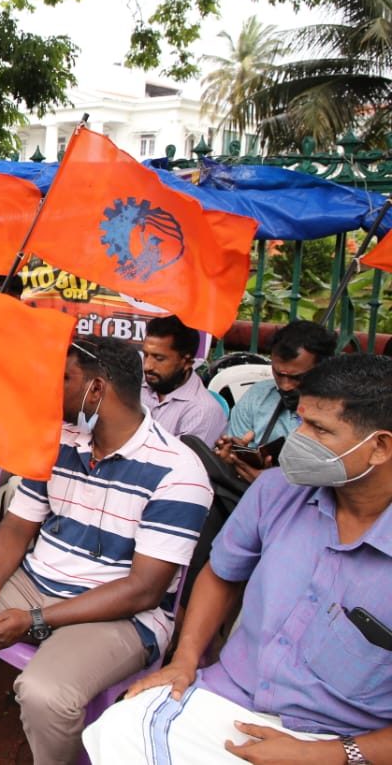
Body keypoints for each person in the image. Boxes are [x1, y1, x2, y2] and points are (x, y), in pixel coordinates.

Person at [0, 336, 212, 765]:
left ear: (97, 389)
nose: (49, 390)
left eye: (63, 379)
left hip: (120, 613)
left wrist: (35, 620)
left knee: (45, 694)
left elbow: (144, 591)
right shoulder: (59, 439)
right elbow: (18, 526)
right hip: (35, 582)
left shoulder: (179, 472)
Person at [84, 353, 392, 765]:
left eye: (319, 428)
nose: (298, 439)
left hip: (346, 740)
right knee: (120, 727)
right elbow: (222, 573)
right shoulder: (278, 489)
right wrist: (186, 659)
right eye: (300, 420)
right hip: (229, 700)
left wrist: (333, 754)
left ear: (380, 447)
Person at [214, 320, 336, 484]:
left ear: (323, 369)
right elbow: (233, 457)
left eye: (296, 377)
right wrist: (233, 458)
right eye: (278, 374)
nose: (285, 386)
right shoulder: (258, 396)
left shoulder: (341, 410)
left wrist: (273, 483)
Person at [140, 315, 227, 447]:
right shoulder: (136, 388)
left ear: (186, 362)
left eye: (159, 358)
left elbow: (178, 464)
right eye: (146, 355)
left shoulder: (202, 412)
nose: (147, 366)